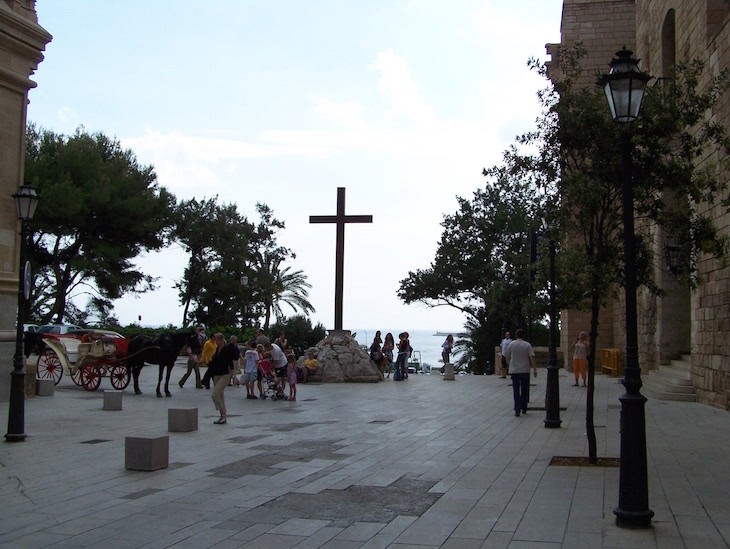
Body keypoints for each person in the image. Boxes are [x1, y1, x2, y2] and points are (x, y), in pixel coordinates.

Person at [504, 328, 537, 417]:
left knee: (516, 389)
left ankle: (517, 408)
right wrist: (534, 368)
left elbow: (507, 356)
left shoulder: (511, 344)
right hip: (525, 370)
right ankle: (524, 407)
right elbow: (532, 357)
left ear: (516, 335)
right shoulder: (527, 345)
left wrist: (509, 364)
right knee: (524, 389)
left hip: (514, 370)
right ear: (524, 336)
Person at [208, 333, 237, 424]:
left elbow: (230, 364)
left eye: (216, 340)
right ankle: (222, 416)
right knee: (220, 396)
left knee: (215, 394)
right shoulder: (217, 350)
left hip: (224, 375)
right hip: (216, 375)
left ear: (220, 340)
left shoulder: (226, 350)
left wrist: (233, 377)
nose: (215, 341)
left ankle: (223, 413)